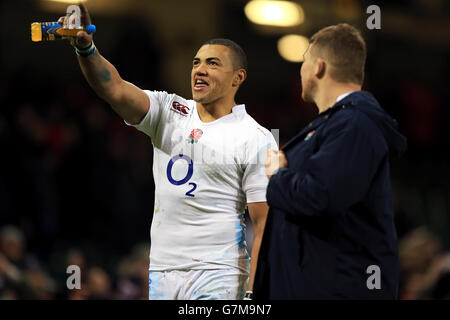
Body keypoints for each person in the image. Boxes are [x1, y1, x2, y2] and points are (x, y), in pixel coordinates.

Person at [59, 4, 277, 300]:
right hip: (163, 272)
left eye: (212, 64)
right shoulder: (169, 111)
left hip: (219, 275)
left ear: (238, 78)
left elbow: (264, 222)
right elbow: (115, 89)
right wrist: (86, 48)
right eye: (196, 62)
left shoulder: (257, 137)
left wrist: (253, 291)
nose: (200, 69)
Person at [253, 23, 407, 299]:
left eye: (304, 62)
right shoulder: (335, 125)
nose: (300, 71)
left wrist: (278, 175)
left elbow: (319, 195)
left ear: (318, 67)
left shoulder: (355, 124)